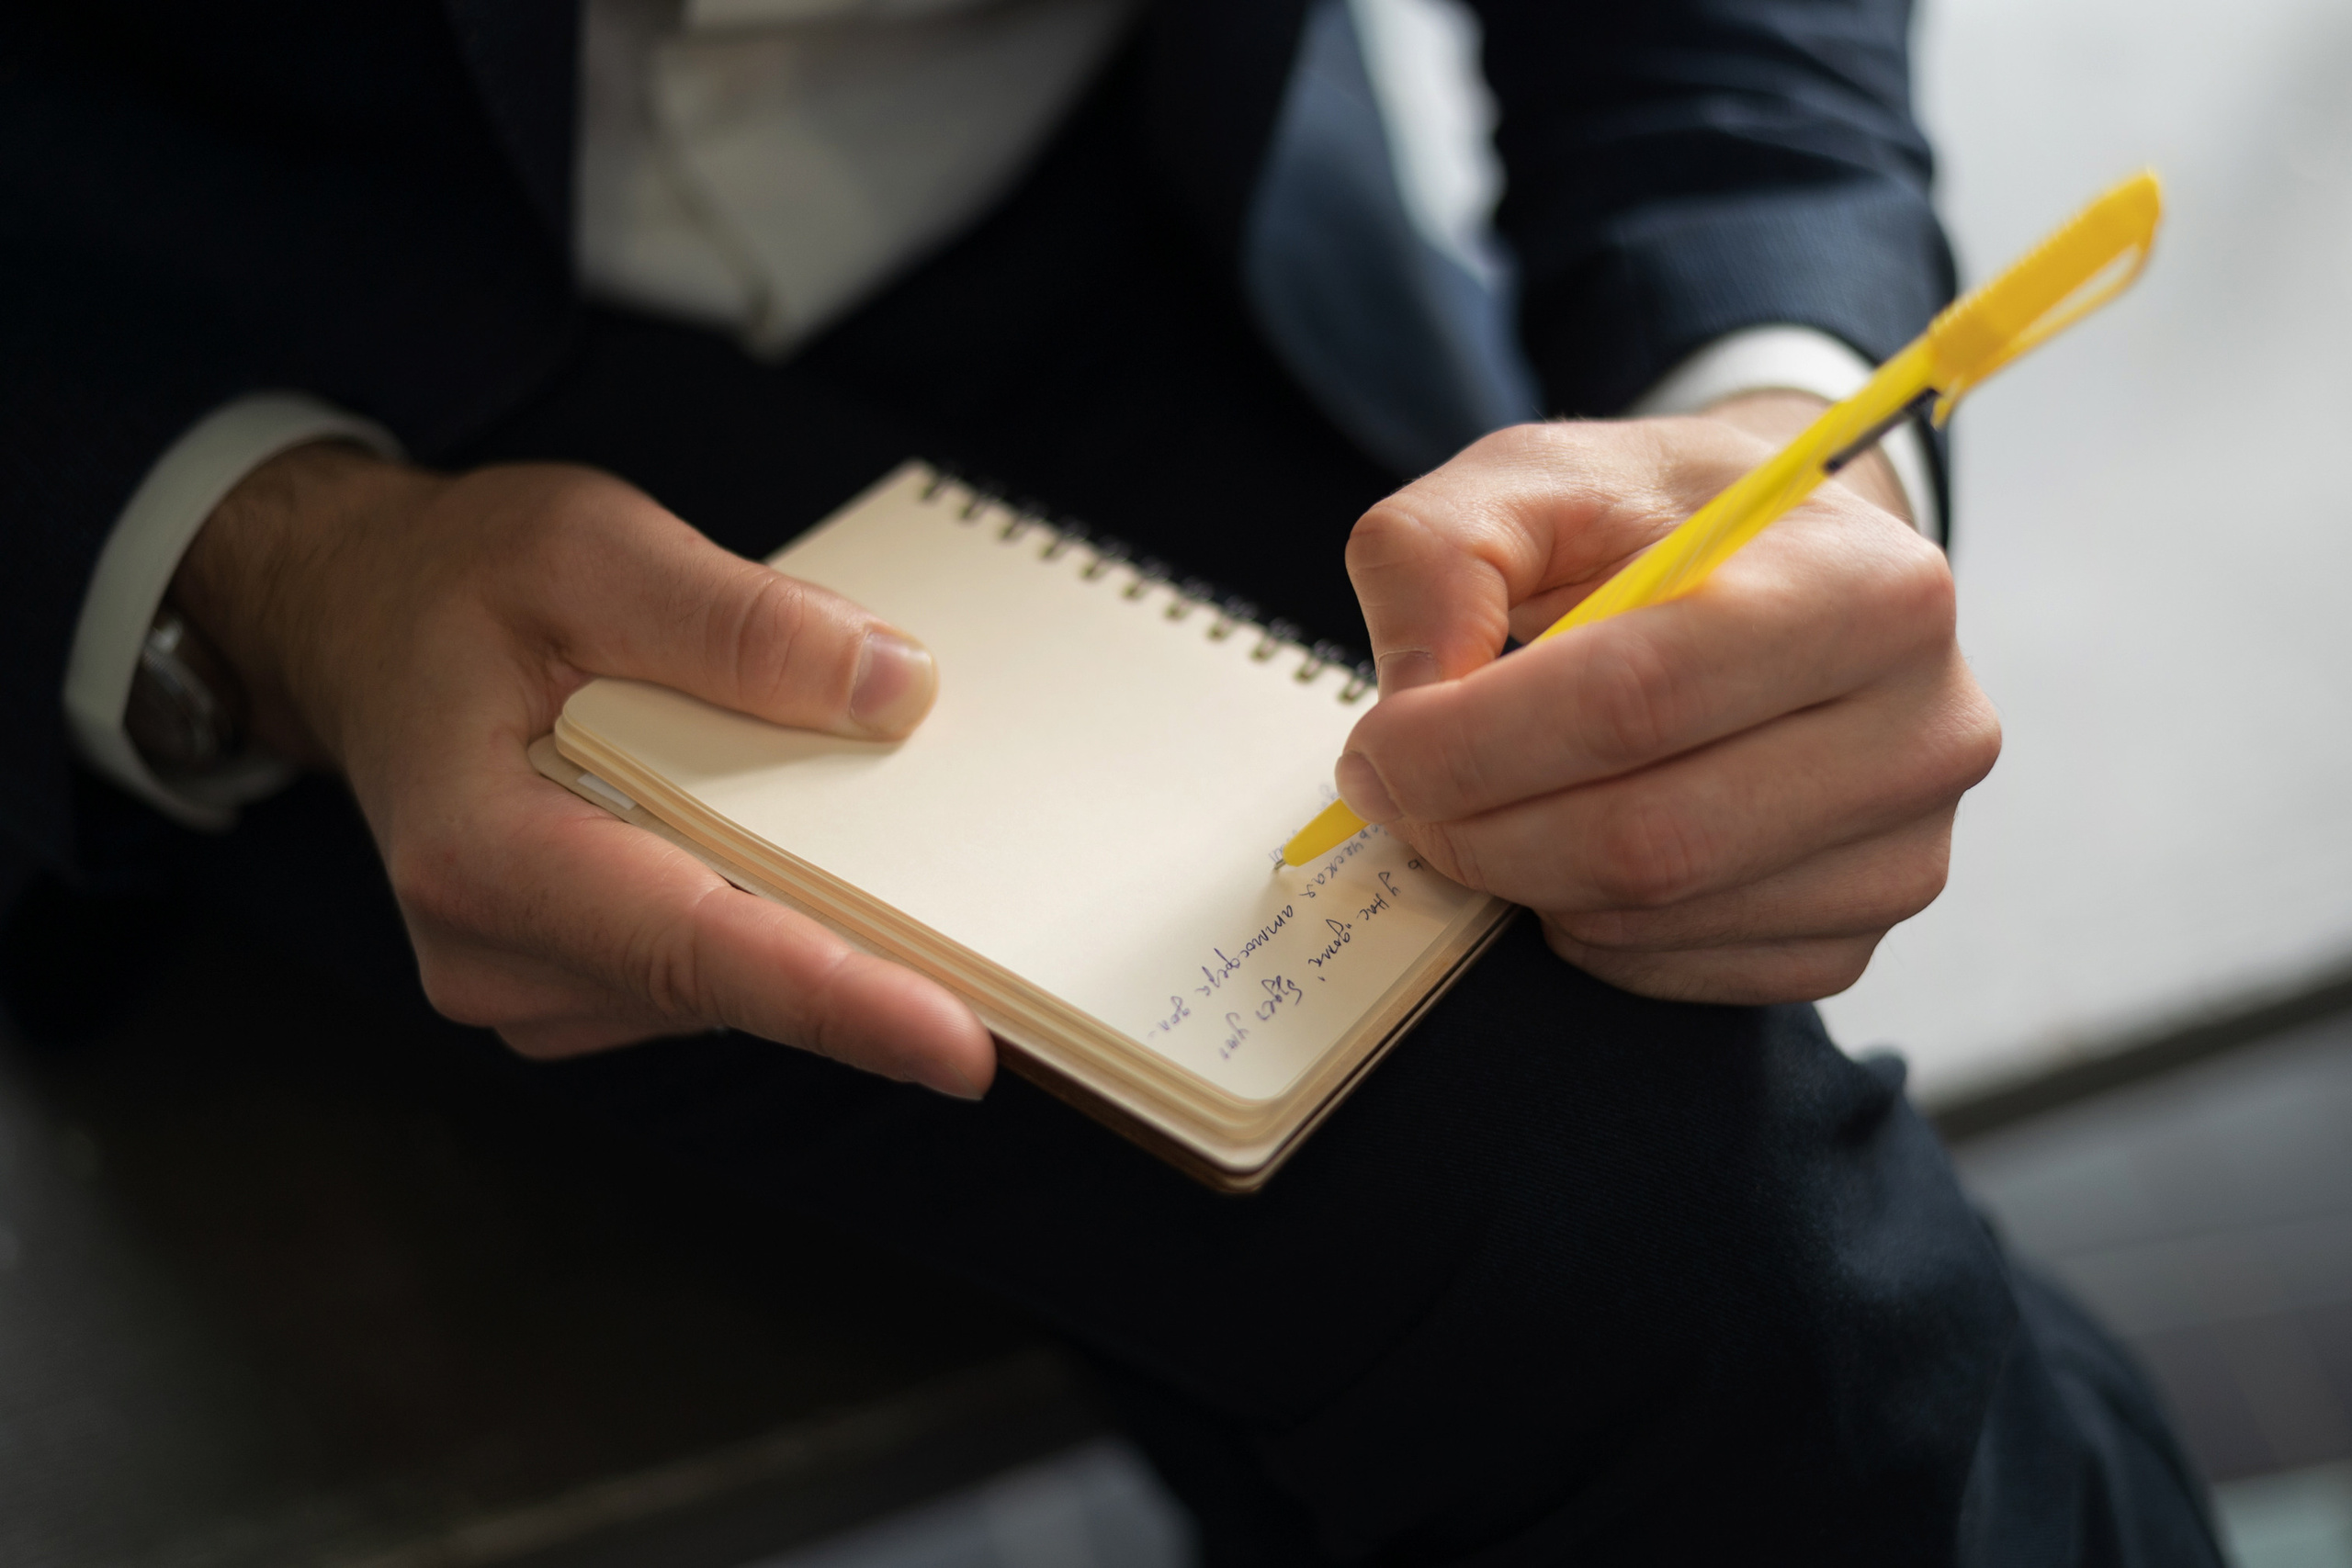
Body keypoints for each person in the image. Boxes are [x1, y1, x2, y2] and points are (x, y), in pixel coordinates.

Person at [1, 0, 2222, 1561]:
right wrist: (260, 570)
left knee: (1694, 1263)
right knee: (1688, 1278)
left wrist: (1790, 419)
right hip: (279, 366)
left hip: (1164, 208)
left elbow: (1702, 53)